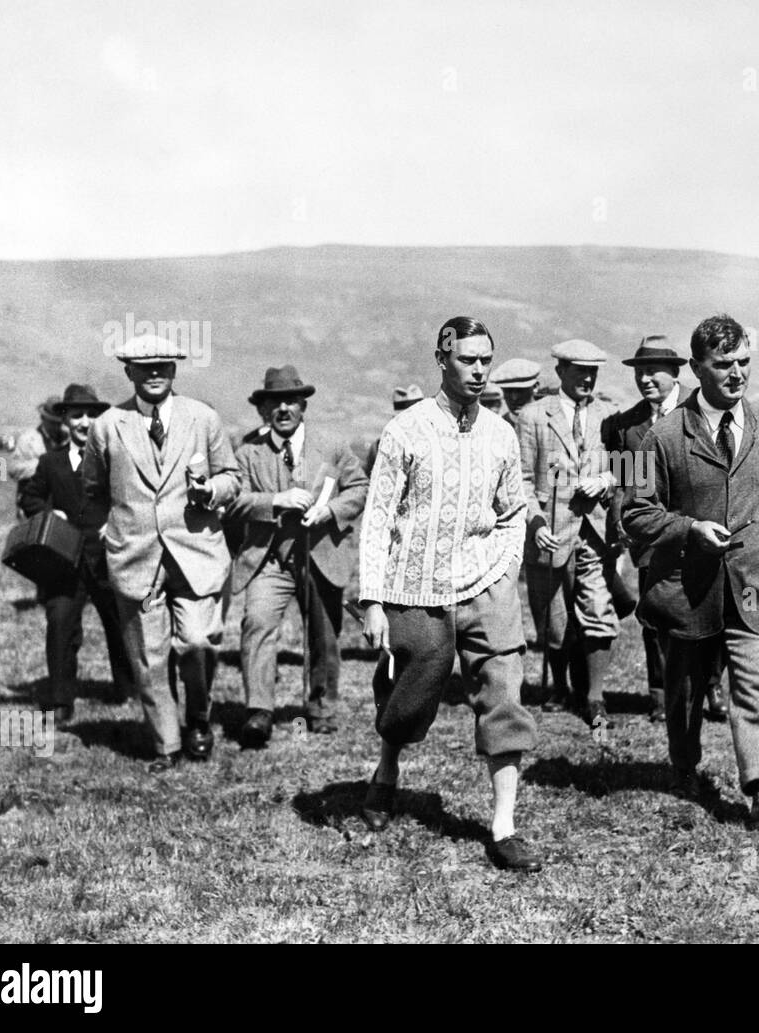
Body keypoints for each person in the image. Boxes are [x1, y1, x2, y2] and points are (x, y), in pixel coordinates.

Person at [623, 313, 759, 830]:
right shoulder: (659, 437)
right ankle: (684, 764)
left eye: (744, 363)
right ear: (696, 368)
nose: (737, 374)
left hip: (757, 581)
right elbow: (636, 513)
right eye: (724, 365)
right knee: (686, 690)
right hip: (688, 587)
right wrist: (689, 528)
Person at [358, 316, 540, 872]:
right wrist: (372, 599)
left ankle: (504, 825)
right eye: (468, 359)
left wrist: (504, 568)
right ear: (442, 360)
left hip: (487, 587)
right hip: (417, 588)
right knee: (407, 698)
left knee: (504, 693)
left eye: (486, 359)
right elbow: (378, 517)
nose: (479, 370)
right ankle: (387, 767)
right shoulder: (405, 431)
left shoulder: (501, 434)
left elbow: (514, 512)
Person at [82, 334, 240, 771]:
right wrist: (105, 535)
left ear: (175, 370)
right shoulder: (107, 426)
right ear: (128, 371)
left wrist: (212, 490)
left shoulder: (203, 418)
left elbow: (232, 476)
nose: (154, 374)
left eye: (163, 366)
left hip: (196, 553)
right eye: (144, 366)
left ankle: (199, 716)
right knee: (149, 658)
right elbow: (93, 492)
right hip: (135, 558)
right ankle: (166, 745)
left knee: (197, 642)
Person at [229, 366, 369, 748]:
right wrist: (275, 500)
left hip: (320, 553)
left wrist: (331, 511)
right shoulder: (248, 452)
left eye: (291, 401)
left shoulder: (333, 446)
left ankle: (321, 707)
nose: (284, 408)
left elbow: (359, 488)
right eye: (275, 402)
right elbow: (234, 501)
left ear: (303, 405)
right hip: (268, 558)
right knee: (256, 623)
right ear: (263, 410)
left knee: (324, 635)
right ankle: (259, 711)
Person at [517, 339, 620, 728]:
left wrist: (606, 481)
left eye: (593, 371)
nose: (588, 378)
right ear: (560, 371)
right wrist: (535, 522)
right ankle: (560, 686)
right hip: (550, 534)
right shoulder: (532, 417)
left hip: (594, 532)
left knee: (597, 611)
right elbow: (521, 481)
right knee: (554, 622)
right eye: (580, 370)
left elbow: (637, 471)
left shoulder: (611, 415)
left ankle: (594, 697)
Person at [18, 384, 134, 724]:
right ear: (64, 420)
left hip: (109, 557)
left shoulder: (115, 458)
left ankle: (128, 688)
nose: (85, 422)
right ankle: (60, 699)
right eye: (77, 415)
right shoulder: (49, 463)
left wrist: (114, 522)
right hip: (64, 560)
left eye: (92, 415)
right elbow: (30, 498)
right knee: (60, 623)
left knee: (120, 622)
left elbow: (131, 500)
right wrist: (50, 513)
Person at [601, 335, 692, 723]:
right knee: (654, 615)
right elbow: (627, 482)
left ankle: (712, 688)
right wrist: (623, 521)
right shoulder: (629, 426)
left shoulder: (700, 411)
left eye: (654, 371)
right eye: (640, 372)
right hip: (651, 538)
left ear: (674, 372)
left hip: (698, 532)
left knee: (707, 612)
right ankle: (661, 694)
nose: (645, 379)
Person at [490, 358, 541, 428]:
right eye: (508, 391)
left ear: (535, 387)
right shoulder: (497, 427)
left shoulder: (552, 423)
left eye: (520, 390)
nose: (514, 398)